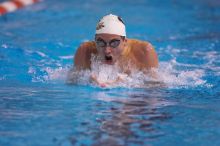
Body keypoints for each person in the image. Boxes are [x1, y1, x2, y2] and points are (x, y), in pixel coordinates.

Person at [73, 14, 158, 87]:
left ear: (124, 42)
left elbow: (157, 88)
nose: (107, 50)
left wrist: (128, 84)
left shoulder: (144, 52)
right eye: (101, 43)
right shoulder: (84, 52)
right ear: (95, 41)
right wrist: (88, 82)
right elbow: (72, 83)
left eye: (114, 43)